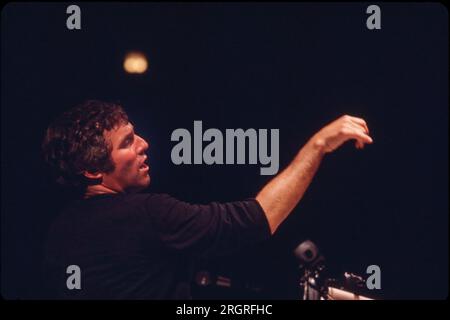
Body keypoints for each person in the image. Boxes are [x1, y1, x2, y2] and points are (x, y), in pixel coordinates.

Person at [42, 100, 373, 299]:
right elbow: (256, 219)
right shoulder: (146, 215)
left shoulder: (58, 232)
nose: (144, 144)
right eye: (127, 142)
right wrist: (318, 146)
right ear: (91, 169)